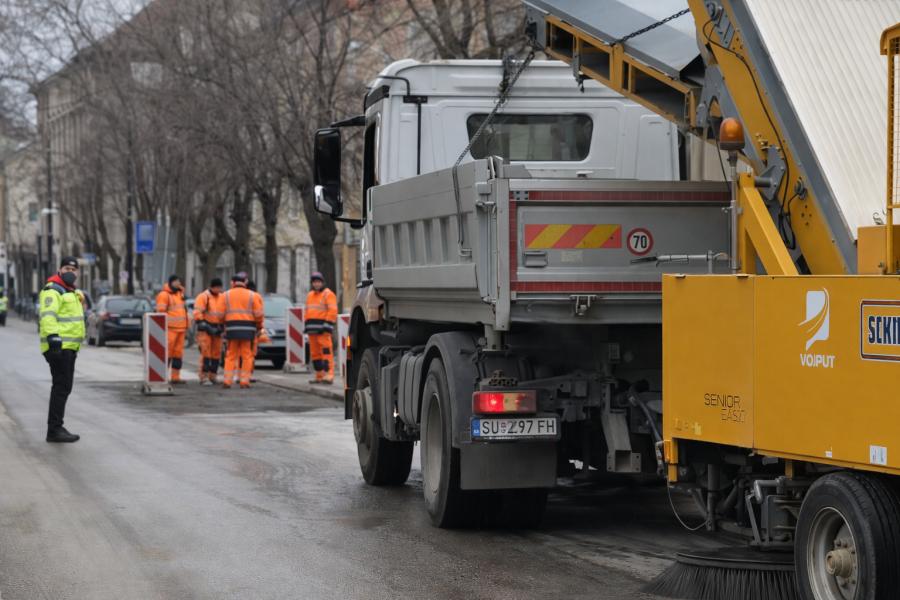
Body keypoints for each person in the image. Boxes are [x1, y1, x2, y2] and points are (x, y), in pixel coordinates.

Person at [39, 257, 85, 443]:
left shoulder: (71, 292)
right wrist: (53, 339)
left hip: (69, 347)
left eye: (74, 270)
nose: (70, 272)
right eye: (67, 268)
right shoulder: (53, 290)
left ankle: (56, 427)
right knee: (61, 387)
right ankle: (55, 429)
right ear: (59, 270)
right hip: (59, 347)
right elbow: (48, 315)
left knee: (63, 387)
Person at [222, 272, 263, 389]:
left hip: (231, 329)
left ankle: (227, 381)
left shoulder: (225, 295)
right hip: (248, 329)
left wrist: (223, 326)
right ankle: (244, 381)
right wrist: (259, 326)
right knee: (246, 356)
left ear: (234, 282)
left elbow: (220, 313)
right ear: (245, 282)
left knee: (230, 356)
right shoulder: (252, 295)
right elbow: (258, 314)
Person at [304, 271, 337, 384]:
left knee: (326, 352)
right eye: (314, 282)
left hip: (323, 330)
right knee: (315, 354)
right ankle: (319, 375)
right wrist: (306, 326)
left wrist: (327, 326)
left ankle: (329, 375)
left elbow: (332, 311)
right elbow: (307, 312)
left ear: (322, 282)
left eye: (318, 282)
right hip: (312, 330)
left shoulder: (328, 294)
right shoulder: (310, 295)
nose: (316, 284)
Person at [156, 275, 188, 384]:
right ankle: (163, 376)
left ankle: (175, 377)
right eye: (176, 281)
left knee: (178, 354)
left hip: (181, 328)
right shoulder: (164, 295)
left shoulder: (180, 294)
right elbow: (160, 312)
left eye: (179, 281)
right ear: (171, 282)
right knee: (167, 353)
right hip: (170, 328)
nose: (179, 283)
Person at [193, 278, 226, 385]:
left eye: (220, 287)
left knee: (216, 354)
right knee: (206, 353)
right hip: (206, 328)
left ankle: (213, 376)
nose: (219, 290)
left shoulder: (222, 297)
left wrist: (222, 326)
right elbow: (198, 313)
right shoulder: (203, 297)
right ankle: (204, 376)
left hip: (217, 328)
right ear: (212, 287)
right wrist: (205, 325)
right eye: (217, 287)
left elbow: (224, 313)